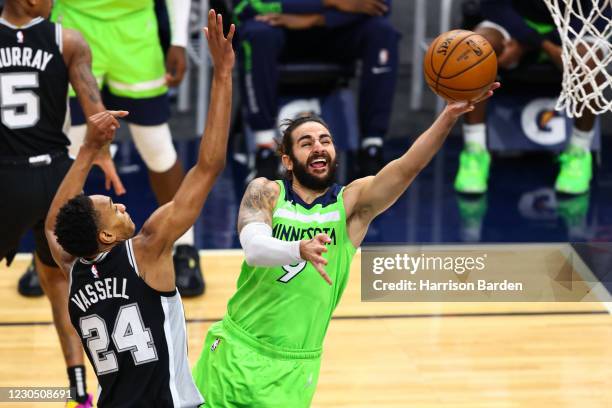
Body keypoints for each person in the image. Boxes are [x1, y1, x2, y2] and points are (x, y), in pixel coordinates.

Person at [192, 74, 499, 405]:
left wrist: (448, 116)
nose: (318, 147)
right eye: (306, 143)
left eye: (325, 140)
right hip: (236, 350)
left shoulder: (351, 206)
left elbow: (406, 168)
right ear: (288, 160)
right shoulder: (266, 192)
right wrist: (298, 249)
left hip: (294, 366)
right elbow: (253, 249)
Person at [45, 10, 234, 406]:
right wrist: (222, 76)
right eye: (113, 207)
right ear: (107, 235)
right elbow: (208, 167)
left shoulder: (72, 268)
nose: (122, 205)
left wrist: (87, 150)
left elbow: (52, 226)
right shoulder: (146, 249)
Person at [17, 0, 205, 297]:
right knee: (68, 151)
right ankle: (50, 250)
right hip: (73, 21)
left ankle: (183, 246)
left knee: (157, 146)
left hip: (134, 29)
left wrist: (179, 40)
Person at [0, 0, 124, 405]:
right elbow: (95, 112)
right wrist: (102, 155)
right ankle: (78, 395)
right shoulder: (67, 40)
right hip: (57, 176)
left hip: (6, 175)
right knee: (60, 283)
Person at [454, 0, 609, 195]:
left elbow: (601, 14)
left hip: (575, 26)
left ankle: (579, 152)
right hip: (515, 22)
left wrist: (536, 43)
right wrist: (539, 43)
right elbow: (492, 6)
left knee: (587, 59)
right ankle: (474, 151)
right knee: (475, 48)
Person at [234, 0, 400, 179]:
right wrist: (333, 2)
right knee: (257, 33)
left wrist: (317, 18)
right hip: (279, 31)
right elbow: (245, 5)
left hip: (335, 32)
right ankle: (264, 150)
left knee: (382, 32)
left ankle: (371, 149)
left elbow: (381, 5)